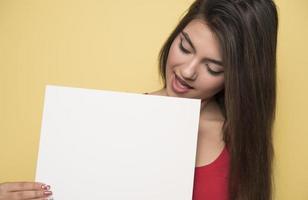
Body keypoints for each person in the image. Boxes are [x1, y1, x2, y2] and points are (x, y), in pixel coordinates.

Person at [0, 0, 278, 199]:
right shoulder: (114, 119)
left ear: (239, 78)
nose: (187, 71)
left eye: (213, 67)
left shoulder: (243, 140)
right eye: (184, 47)